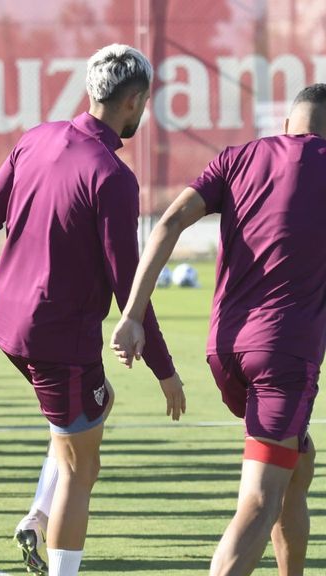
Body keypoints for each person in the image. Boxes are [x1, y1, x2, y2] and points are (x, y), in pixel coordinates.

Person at [0, 44, 185, 576]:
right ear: (133, 101)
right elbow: (130, 285)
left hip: (9, 326)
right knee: (83, 468)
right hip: (58, 338)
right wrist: (165, 369)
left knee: (87, 413)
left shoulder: (36, 137)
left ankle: (38, 514)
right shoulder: (113, 175)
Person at [110, 83, 326, 576]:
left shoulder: (236, 158)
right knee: (260, 500)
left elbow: (169, 222)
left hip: (224, 351)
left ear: (287, 124)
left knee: (298, 464)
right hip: (283, 356)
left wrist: (132, 314)